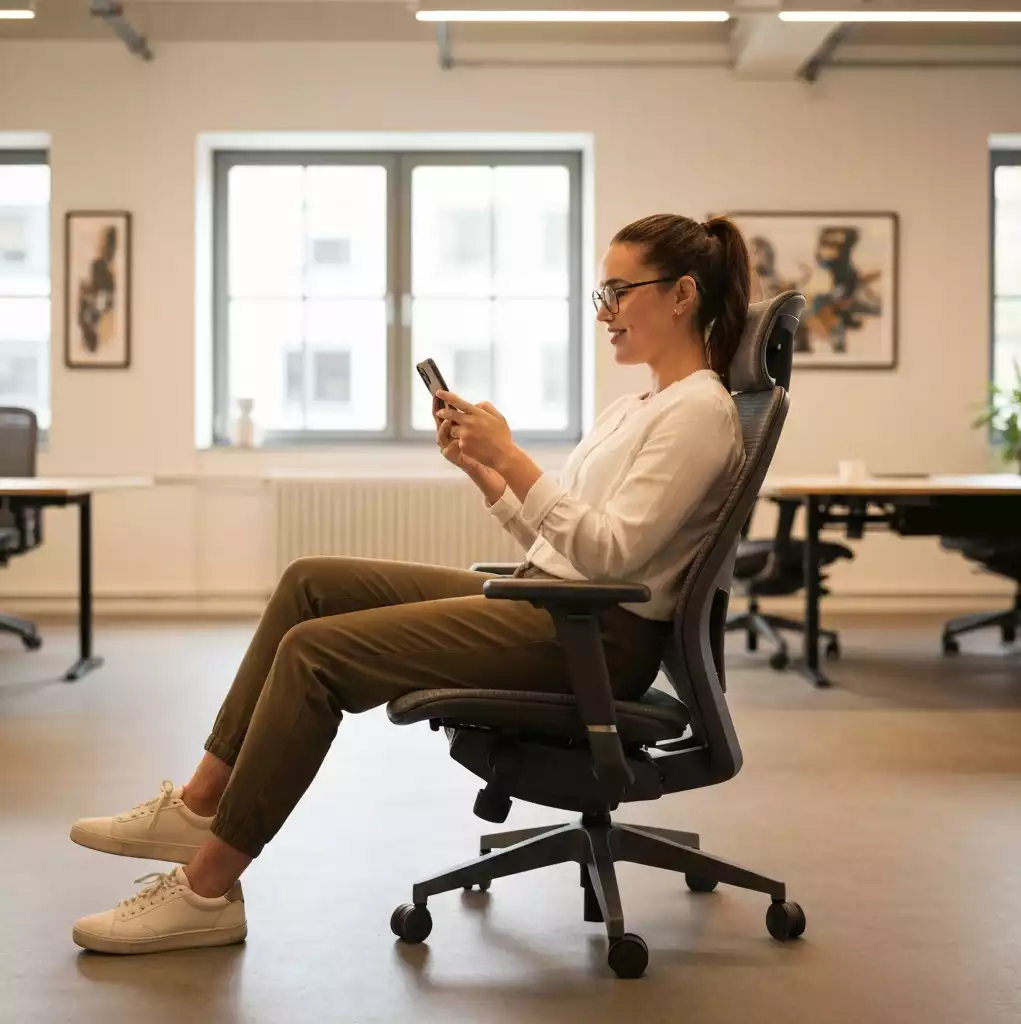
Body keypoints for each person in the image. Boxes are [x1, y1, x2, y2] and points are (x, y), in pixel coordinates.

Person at [68, 213, 751, 955]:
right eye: (600, 291)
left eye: (619, 290)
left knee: (315, 653)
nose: (603, 311)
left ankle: (206, 892)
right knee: (312, 584)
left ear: (682, 295)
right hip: (556, 600)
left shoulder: (700, 414)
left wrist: (516, 457)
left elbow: (613, 556)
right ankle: (201, 804)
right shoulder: (638, 406)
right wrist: (487, 472)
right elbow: (562, 543)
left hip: (594, 638)